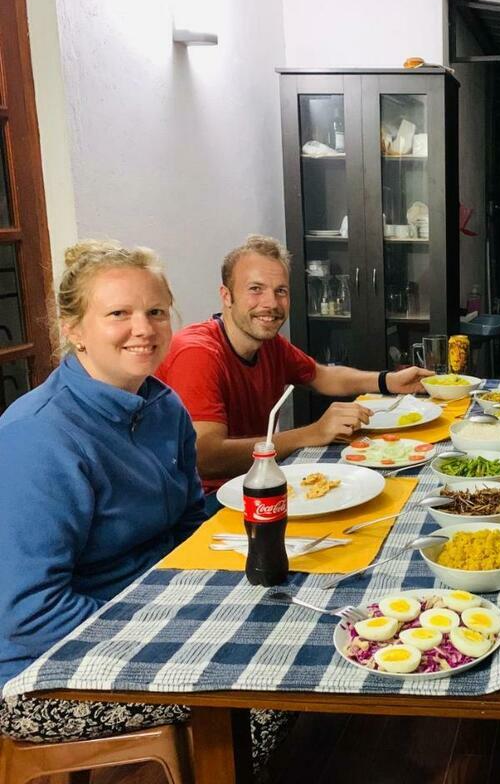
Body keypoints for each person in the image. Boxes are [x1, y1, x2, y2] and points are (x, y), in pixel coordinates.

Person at [0, 241, 288, 774]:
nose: (144, 328)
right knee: (260, 689)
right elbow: (29, 614)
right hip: (41, 671)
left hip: (152, 608)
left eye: (156, 311)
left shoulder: (162, 405)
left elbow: (189, 526)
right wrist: (166, 627)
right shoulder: (37, 436)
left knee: (282, 622)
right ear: (74, 329)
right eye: (118, 314)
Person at [156, 235, 432, 496]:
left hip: (261, 481)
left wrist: (389, 381)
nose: (271, 303)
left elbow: (322, 376)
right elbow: (206, 458)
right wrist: (313, 433)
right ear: (226, 296)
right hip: (208, 502)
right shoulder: (197, 352)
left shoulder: (269, 344)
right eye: (255, 289)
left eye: (281, 291)